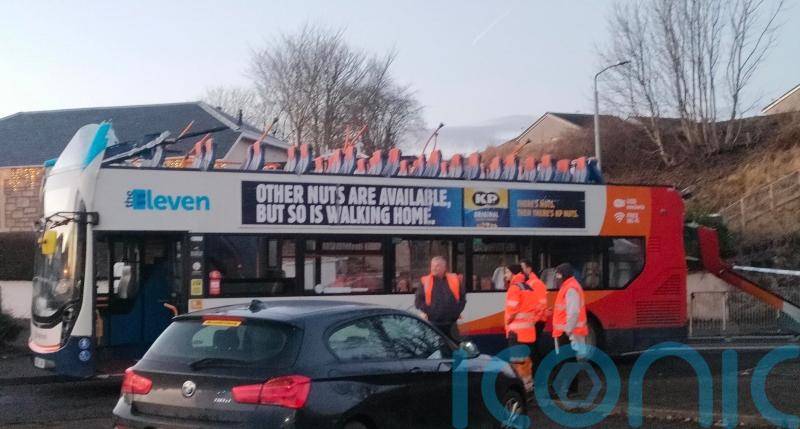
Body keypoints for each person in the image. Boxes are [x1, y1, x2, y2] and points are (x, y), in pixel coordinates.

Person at [551, 262, 589, 396]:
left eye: (558, 274)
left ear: (564, 275)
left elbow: (573, 312)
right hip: (567, 332)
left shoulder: (570, 288)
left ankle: (562, 389)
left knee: (565, 361)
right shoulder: (570, 286)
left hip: (567, 333)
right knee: (569, 360)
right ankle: (571, 389)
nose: (556, 277)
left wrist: (568, 329)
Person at [504, 264, 539, 393]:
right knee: (526, 362)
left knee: (517, 363)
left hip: (516, 333)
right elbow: (535, 310)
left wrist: (507, 321)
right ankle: (528, 386)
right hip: (529, 333)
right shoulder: (529, 288)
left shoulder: (514, 288)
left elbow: (512, 310)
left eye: (507, 272)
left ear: (514, 273)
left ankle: (520, 389)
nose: (505, 275)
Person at [415, 256, 467, 342]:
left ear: (444, 267)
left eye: (437, 266)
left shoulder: (455, 279)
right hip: (433, 323)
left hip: (451, 323)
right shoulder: (425, 281)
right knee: (435, 347)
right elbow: (418, 301)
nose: (434, 268)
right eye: (432, 266)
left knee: (454, 347)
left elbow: (462, 298)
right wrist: (430, 312)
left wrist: (456, 312)